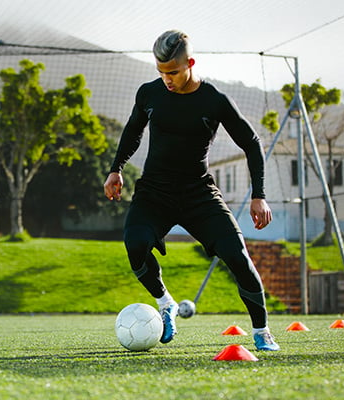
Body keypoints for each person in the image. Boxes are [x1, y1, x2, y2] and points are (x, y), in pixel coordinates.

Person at [103, 30, 279, 351]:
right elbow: (132, 131)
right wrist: (115, 169)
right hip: (155, 192)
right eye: (161, 72)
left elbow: (252, 143)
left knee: (238, 257)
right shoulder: (149, 94)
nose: (167, 79)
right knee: (135, 245)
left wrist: (259, 194)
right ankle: (165, 303)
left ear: (190, 64)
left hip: (199, 194)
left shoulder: (214, 101)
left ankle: (261, 332)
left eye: (173, 71)